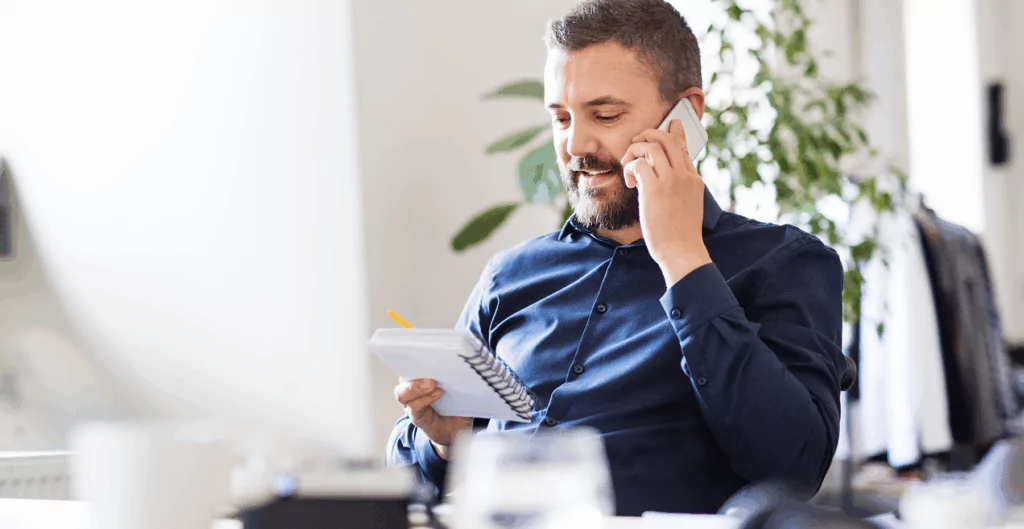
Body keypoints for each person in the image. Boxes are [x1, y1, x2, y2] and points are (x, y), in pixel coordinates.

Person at [387, 0, 845, 516]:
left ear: (686, 116)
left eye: (605, 114)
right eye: (560, 118)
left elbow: (794, 467)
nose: (575, 144)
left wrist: (682, 259)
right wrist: (447, 443)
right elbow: (404, 476)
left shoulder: (785, 263)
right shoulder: (510, 274)